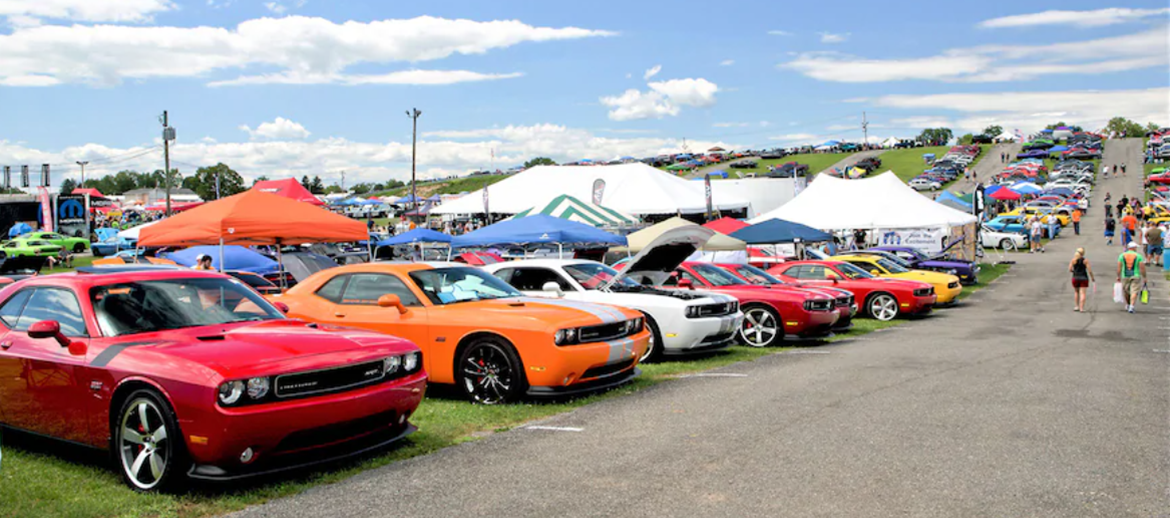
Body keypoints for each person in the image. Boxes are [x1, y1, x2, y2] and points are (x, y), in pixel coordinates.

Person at [1117, 242, 1147, 313]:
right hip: (1135, 275)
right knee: (1134, 291)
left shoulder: (1122, 255)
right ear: (1133, 248)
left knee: (1126, 291)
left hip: (1125, 275)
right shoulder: (1138, 256)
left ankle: (1128, 304)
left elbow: (1119, 267)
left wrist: (1118, 276)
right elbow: (1142, 268)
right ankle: (1131, 306)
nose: (1136, 248)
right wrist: (1144, 277)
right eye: (1135, 247)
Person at [1069, 248, 1094, 312]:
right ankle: (1081, 308)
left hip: (1075, 277)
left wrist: (1074, 271)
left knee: (1076, 292)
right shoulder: (1085, 261)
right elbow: (1089, 270)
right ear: (1083, 253)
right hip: (1083, 278)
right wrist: (1092, 277)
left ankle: (1076, 306)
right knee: (1083, 293)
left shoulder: (1073, 260)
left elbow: (1070, 269)